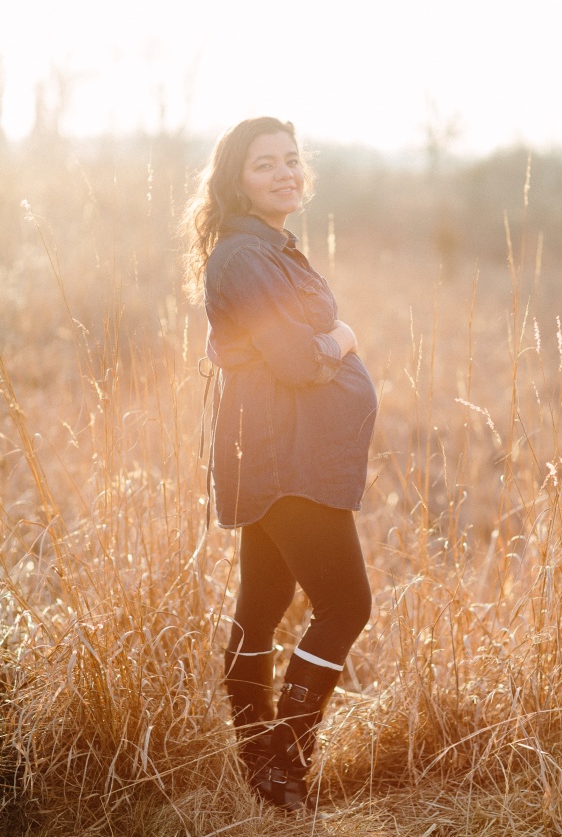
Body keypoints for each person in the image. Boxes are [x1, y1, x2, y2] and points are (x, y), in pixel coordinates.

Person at [182, 117, 377, 813]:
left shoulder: (266, 249)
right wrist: (344, 339)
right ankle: (287, 764)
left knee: (261, 608)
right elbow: (297, 360)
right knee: (346, 603)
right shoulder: (244, 256)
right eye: (265, 164)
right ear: (236, 179)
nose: (286, 172)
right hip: (284, 456)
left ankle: (264, 769)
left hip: (278, 450)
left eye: (292, 160)